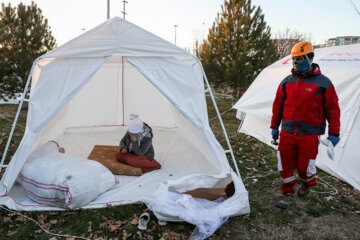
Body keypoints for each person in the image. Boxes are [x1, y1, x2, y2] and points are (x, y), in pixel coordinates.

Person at [270, 41, 340, 209]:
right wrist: (274, 127)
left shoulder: (324, 83)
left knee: (304, 168)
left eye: (300, 59)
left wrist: (334, 134)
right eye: (294, 59)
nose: (296, 62)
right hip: (287, 132)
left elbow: (333, 110)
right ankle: (287, 194)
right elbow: (278, 105)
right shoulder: (287, 81)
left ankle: (307, 184)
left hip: (310, 134)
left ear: (310, 58)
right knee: (285, 165)